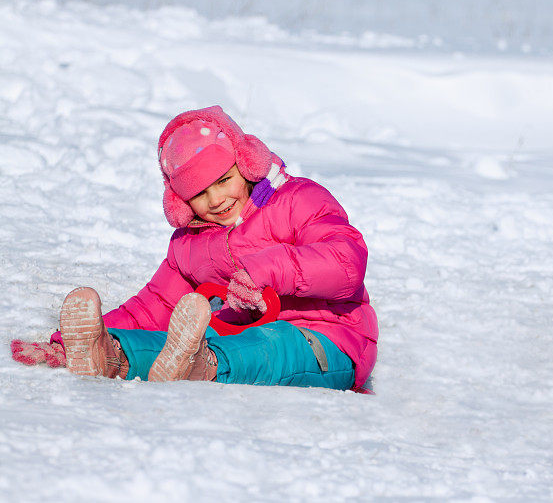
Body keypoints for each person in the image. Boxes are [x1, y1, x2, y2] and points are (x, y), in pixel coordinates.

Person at [51, 105, 377, 391]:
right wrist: (69, 343)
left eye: (224, 180)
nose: (216, 200)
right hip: (231, 340)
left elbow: (346, 262)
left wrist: (267, 269)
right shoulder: (190, 244)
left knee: (274, 344)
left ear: (245, 164)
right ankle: (109, 353)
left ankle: (201, 363)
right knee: (176, 344)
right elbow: (154, 306)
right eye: (200, 193)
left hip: (327, 338)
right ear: (181, 201)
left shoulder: (296, 200)